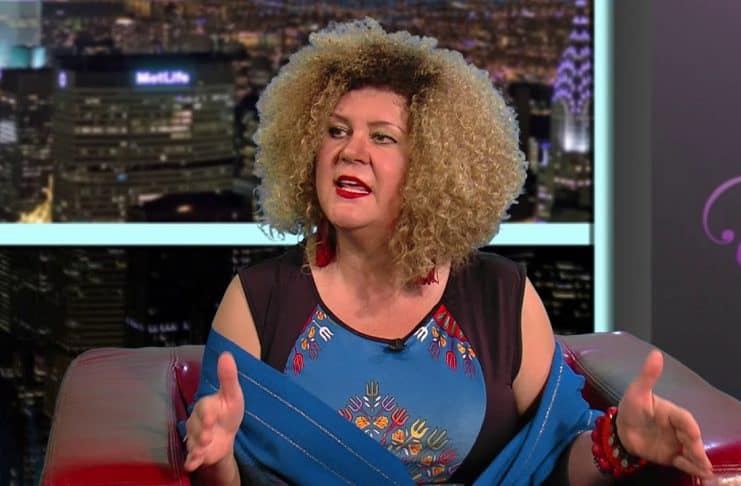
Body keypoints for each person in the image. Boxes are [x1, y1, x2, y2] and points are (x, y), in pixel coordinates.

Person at [181, 18, 714, 485]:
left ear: (431, 167)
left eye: (383, 137)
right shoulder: (257, 301)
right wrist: (216, 458)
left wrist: (621, 442)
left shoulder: (501, 296)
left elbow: (555, 466)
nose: (350, 150)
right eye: (336, 130)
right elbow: (222, 476)